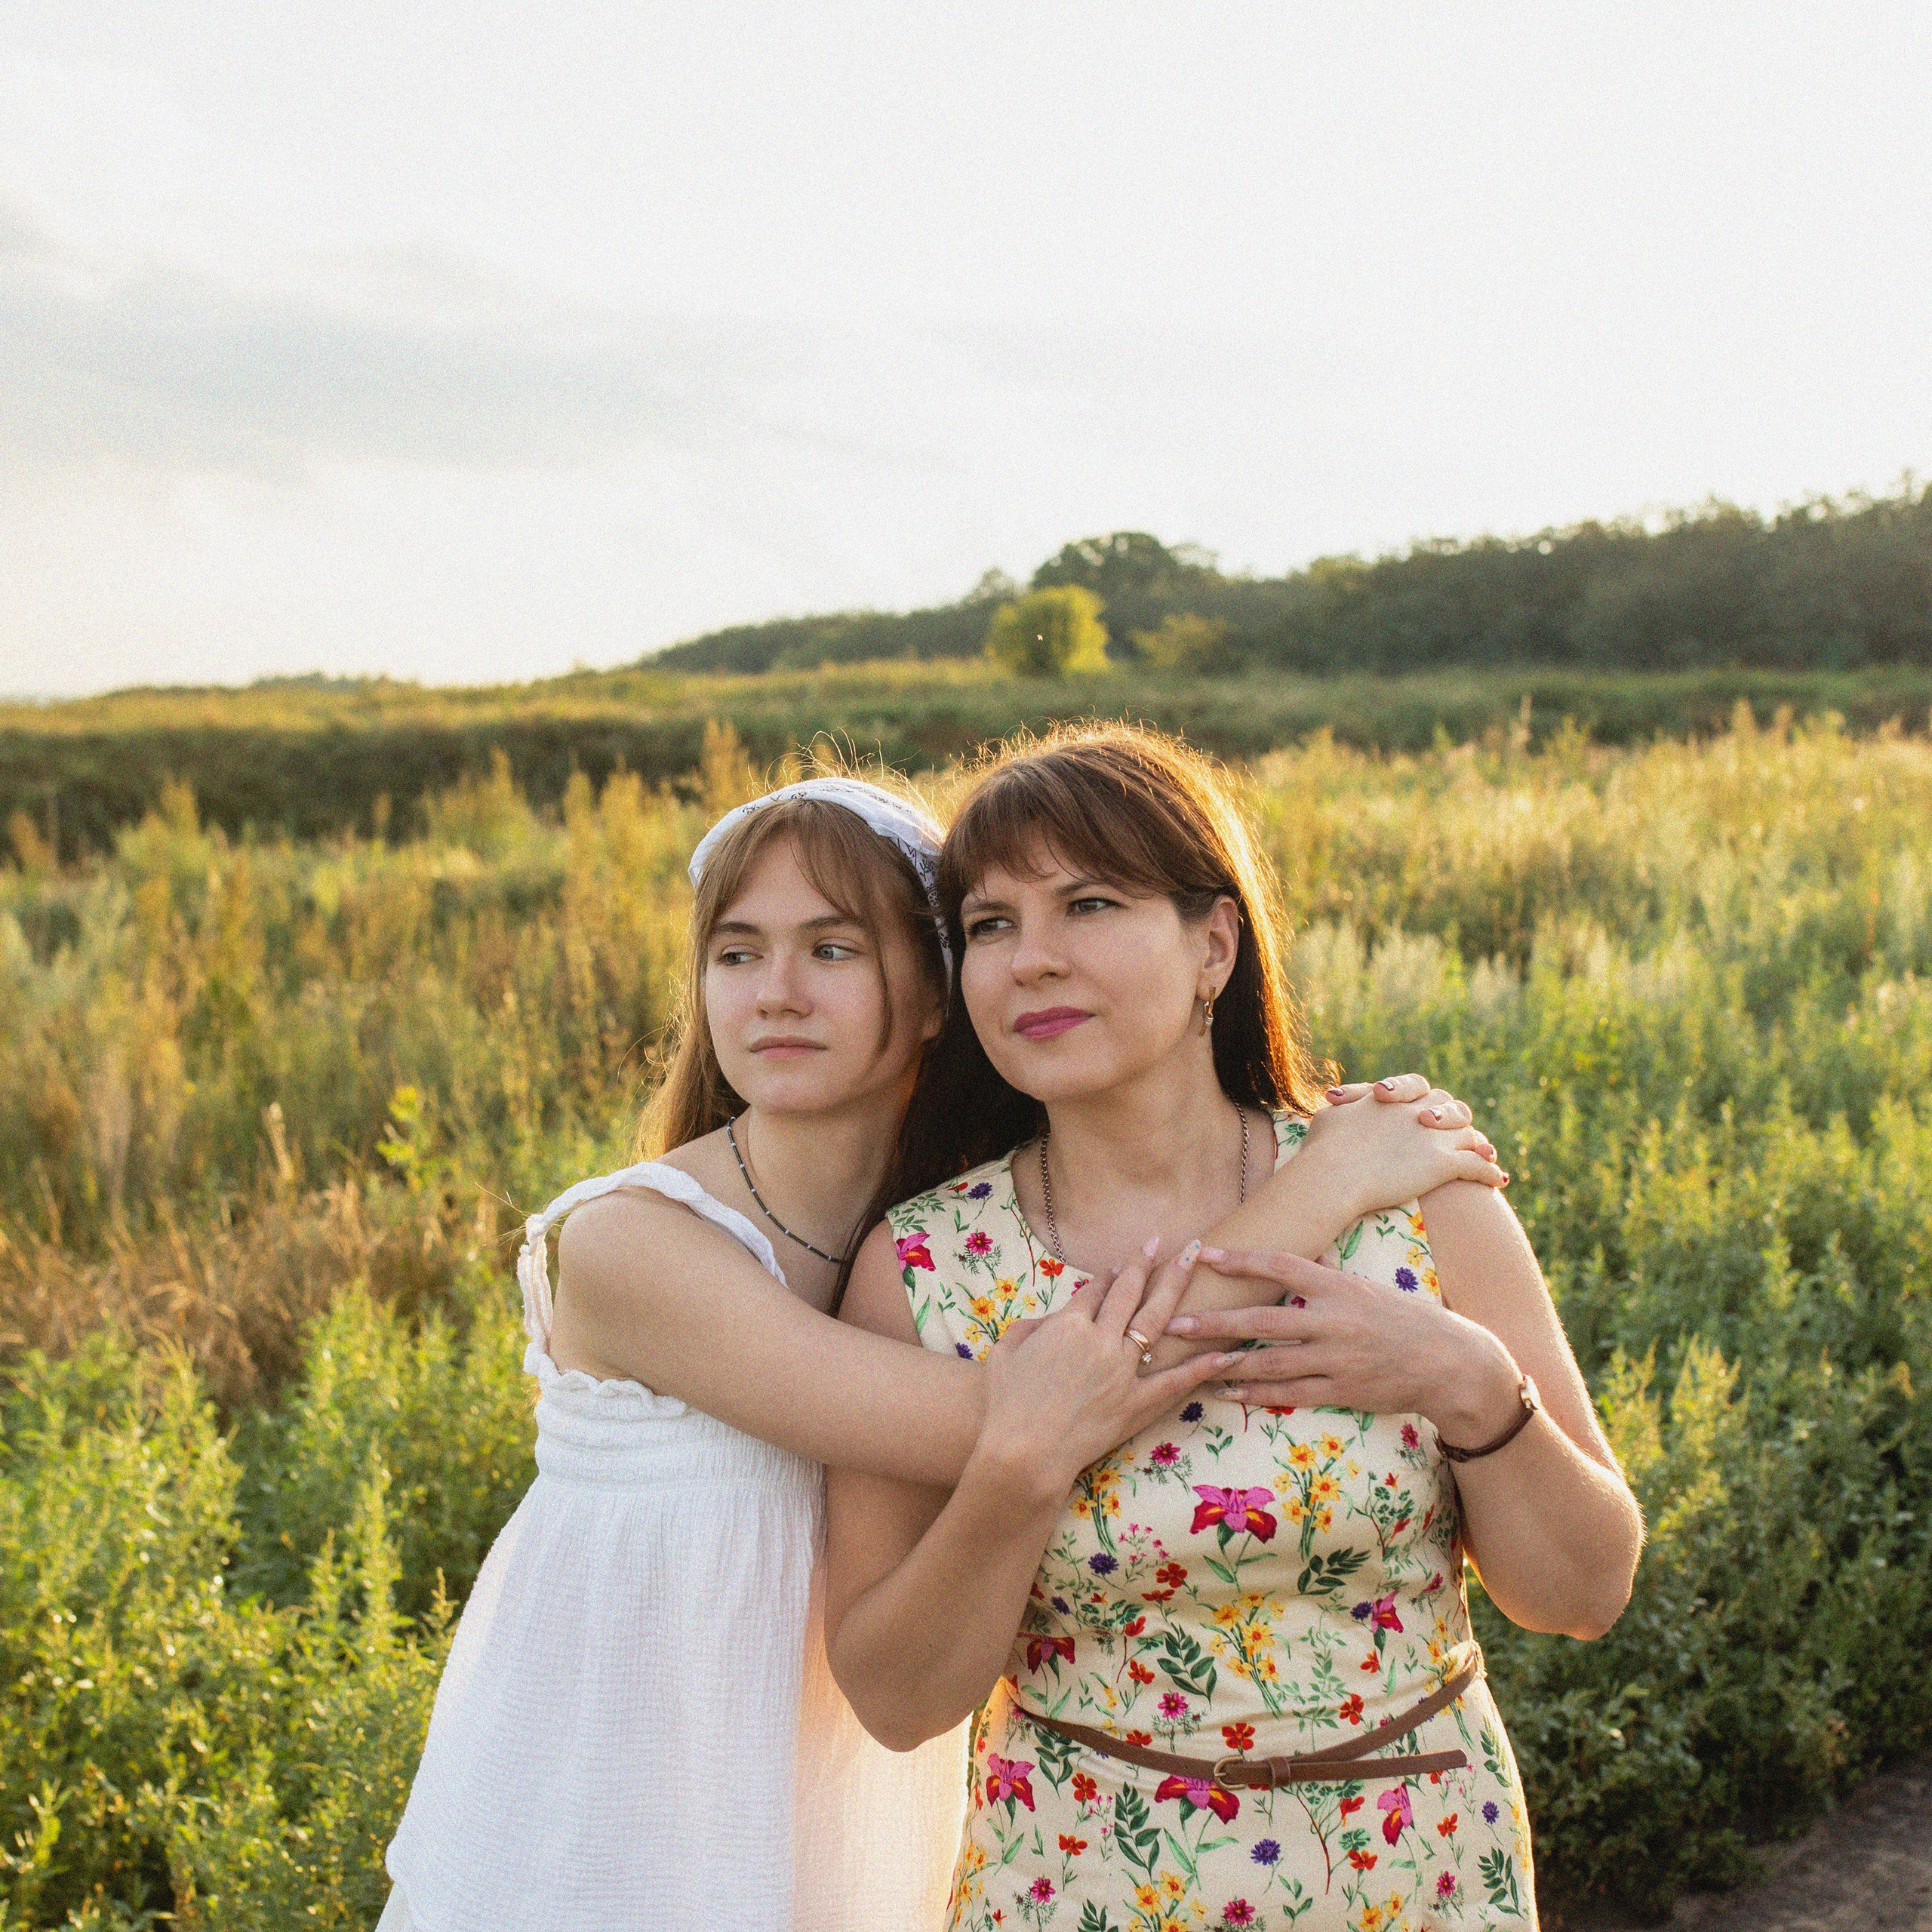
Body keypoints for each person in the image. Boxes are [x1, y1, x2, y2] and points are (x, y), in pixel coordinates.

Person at [379, 769, 1509, 1932]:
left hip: (829, 1803)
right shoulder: (633, 1246)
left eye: (831, 950)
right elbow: (1041, 1406)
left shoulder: (938, 1234)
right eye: (735, 954)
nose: (775, 993)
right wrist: (1321, 1185)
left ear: (937, 997)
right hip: (624, 1799)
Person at [826, 728, 1644, 1932]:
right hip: (1081, 1881)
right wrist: (1020, 1463)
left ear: (1215, 942)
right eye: (990, 925)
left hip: (1416, 1870)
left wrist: (1469, 1384)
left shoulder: (1410, 1188)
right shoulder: (925, 1271)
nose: (1029, 961)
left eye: (1087, 904)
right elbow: (896, 1701)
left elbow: (1586, 1590)